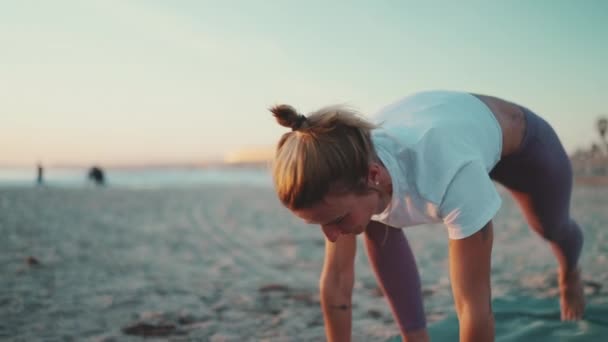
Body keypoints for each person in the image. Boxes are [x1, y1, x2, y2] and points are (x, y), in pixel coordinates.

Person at [269, 90, 585, 342]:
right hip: (448, 138)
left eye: (334, 220)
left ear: (374, 175)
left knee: (552, 228)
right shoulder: (343, 170)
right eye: (320, 223)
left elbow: (473, 307)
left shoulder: (450, 175)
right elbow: (337, 281)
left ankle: (569, 269)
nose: (331, 235)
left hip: (525, 149)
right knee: (369, 223)